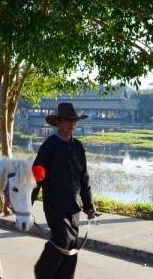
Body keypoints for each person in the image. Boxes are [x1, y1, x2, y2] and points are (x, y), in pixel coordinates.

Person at [32, 102, 100, 279]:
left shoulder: (78, 146)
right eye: (68, 121)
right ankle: (42, 272)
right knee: (62, 240)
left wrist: (89, 206)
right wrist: (26, 205)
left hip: (74, 206)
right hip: (55, 205)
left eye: (75, 121)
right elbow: (37, 175)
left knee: (73, 245)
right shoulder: (50, 145)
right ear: (58, 122)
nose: (72, 124)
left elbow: (84, 178)